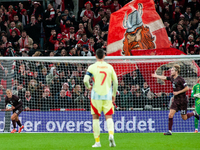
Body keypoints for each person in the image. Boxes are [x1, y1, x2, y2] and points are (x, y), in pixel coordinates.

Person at [83, 49, 118, 147]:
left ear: (95, 56)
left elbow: (85, 80)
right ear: (104, 56)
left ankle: (97, 142)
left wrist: (89, 87)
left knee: (95, 118)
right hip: (107, 96)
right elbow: (116, 82)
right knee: (109, 117)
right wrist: (113, 94)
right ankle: (111, 135)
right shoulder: (109, 67)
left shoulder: (92, 67)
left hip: (95, 96)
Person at [152, 64, 199, 135]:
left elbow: (187, 88)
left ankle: (194, 113)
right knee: (170, 115)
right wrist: (156, 76)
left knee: (184, 117)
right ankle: (170, 131)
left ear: (176, 71)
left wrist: (177, 92)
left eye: (172, 70)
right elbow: (165, 77)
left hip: (182, 100)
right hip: (176, 100)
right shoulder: (172, 78)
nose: (171, 71)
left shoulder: (180, 79)